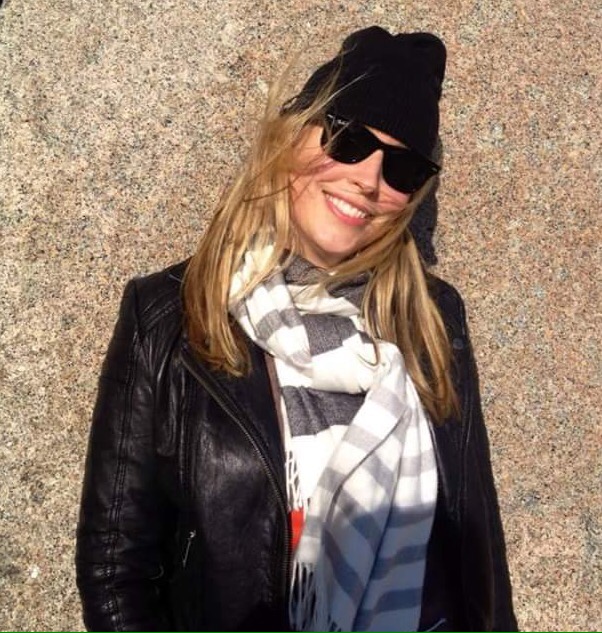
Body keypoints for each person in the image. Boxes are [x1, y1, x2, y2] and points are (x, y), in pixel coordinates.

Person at [75, 26, 518, 632]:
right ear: (292, 135)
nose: (370, 178)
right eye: (349, 138)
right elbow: (114, 568)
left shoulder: (433, 321)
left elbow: (477, 549)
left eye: (403, 167)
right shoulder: (166, 317)